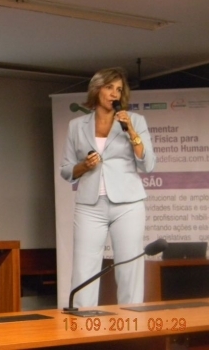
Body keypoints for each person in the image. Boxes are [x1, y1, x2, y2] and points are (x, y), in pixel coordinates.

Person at [60, 67, 156, 307]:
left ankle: (132, 325)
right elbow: (66, 169)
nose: (114, 93)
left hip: (128, 204)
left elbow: (148, 164)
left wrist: (131, 131)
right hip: (90, 206)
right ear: (97, 89)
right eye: (109, 87)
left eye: (119, 89)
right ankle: (82, 325)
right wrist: (83, 166)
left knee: (129, 265)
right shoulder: (76, 125)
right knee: (84, 266)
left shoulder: (136, 121)